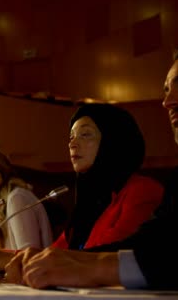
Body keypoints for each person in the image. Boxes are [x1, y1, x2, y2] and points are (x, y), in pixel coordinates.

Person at [5, 37, 178, 298]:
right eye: (166, 90)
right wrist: (72, 260)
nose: (168, 102)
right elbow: (148, 247)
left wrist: (99, 268)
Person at [52, 103, 164, 250]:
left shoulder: (143, 192)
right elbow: (53, 254)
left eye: (85, 134)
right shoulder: (88, 202)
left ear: (112, 140)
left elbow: (109, 254)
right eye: (71, 136)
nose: (72, 144)